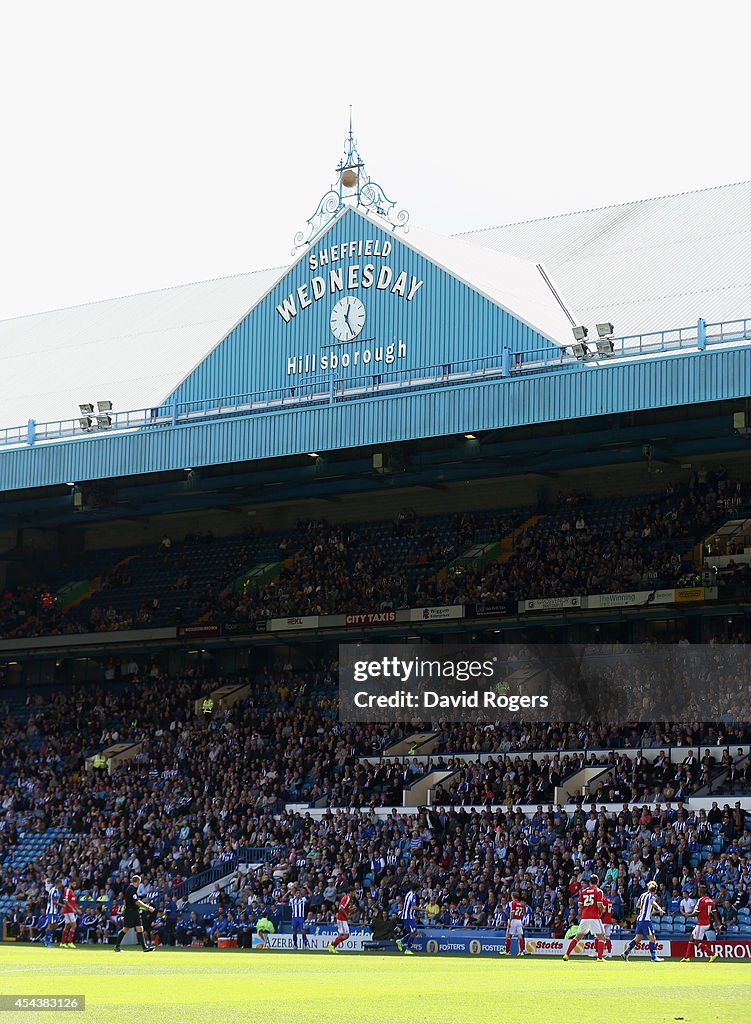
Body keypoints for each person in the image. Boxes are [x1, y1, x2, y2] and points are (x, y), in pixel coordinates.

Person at [562, 873, 606, 962]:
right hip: (594, 917)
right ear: (597, 882)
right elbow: (599, 905)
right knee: (602, 937)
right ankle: (600, 958)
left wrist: (583, 913)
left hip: (585, 917)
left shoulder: (583, 891)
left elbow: (580, 906)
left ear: (590, 882)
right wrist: (603, 910)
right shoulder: (599, 891)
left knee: (577, 937)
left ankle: (566, 955)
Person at [622, 881, 664, 963]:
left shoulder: (643, 895)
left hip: (639, 919)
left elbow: (637, 905)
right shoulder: (652, 896)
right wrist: (659, 909)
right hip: (646, 921)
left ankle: (625, 953)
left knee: (638, 938)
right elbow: (652, 902)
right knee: (652, 939)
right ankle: (653, 957)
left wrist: (645, 906)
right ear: (655, 890)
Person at [114, 874, 155, 953]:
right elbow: (136, 902)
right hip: (130, 912)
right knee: (126, 929)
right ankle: (117, 946)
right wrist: (147, 907)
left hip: (134, 911)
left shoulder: (132, 889)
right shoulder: (131, 889)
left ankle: (144, 947)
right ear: (138, 882)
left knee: (140, 928)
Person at [681, 886, 722, 962]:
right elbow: (715, 914)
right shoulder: (710, 901)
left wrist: (688, 915)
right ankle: (687, 957)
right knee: (691, 938)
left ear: (700, 892)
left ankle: (712, 954)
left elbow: (697, 913)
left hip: (701, 924)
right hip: (706, 923)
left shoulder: (701, 900)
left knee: (697, 942)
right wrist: (717, 925)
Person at [499, 891, 529, 957]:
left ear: (513, 896)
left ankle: (507, 951)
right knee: (520, 936)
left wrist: (510, 920)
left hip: (514, 920)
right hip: (519, 920)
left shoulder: (513, 903)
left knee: (508, 935)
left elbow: (512, 912)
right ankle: (521, 951)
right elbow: (523, 912)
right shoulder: (520, 904)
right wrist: (520, 917)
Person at [396, 886, 418, 955]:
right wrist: (424, 910)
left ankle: (401, 941)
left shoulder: (408, 893)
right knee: (414, 932)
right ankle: (407, 949)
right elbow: (413, 907)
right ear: (417, 889)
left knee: (414, 932)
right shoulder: (413, 895)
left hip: (406, 916)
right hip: (409, 917)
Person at [42, 879, 61, 948]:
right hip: (51, 911)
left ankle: (45, 937)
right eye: (61, 884)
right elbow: (54, 901)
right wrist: (62, 905)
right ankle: (47, 942)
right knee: (50, 926)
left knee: (55, 925)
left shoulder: (55, 890)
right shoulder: (54, 890)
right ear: (58, 883)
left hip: (54, 911)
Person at [60, 881, 80, 948]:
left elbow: (72, 902)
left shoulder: (71, 891)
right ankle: (70, 942)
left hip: (69, 910)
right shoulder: (68, 890)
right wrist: (72, 909)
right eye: (74, 883)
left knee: (67, 926)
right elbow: (66, 901)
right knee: (74, 926)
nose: (75, 885)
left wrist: (76, 909)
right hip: (68, 911)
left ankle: (62, 942)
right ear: (70, 883)